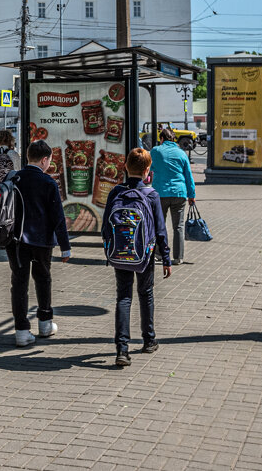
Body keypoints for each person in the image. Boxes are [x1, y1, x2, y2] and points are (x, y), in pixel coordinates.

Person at [102, 147, 171, 367]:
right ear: (147, 170)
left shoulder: (115, 193)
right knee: (146, 293)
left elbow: (105, 226)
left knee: (123, 297)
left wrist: (109, 249)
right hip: (144, 255)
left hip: (120, 252)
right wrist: (167, 259)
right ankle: (149, 340)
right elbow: (160, 231)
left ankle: (122, 350)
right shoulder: (151, 195)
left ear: (125, 167)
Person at [7, 139, 72, 347]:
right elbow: (58, 218)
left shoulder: (14, 179)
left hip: (15, 240)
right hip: (42, 240)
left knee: (19, 283)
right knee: (43, 279)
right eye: (49, 160)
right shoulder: (48, 183)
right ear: (44, 160)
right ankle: (45, 323)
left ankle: (21, 331)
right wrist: (65, 246)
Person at [149, 127, 197, 266]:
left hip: (160, 193)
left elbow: (148, 169)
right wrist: (191, 195)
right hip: (179, 194)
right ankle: (178, 257)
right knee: (178, 226)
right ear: (173, 139)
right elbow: (188, 175)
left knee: (159, 224)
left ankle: (158, 253)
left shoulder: (156, 151)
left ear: (162, 139)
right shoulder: (181, 153)